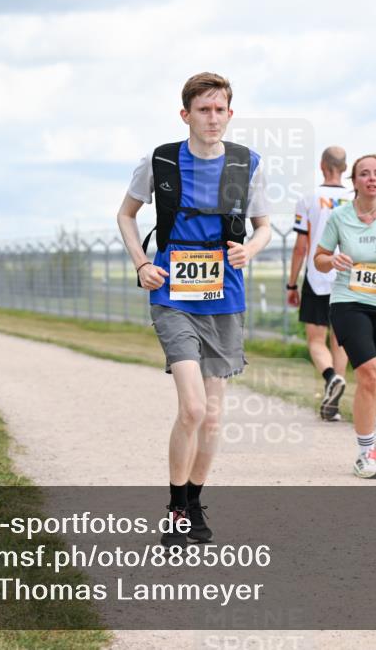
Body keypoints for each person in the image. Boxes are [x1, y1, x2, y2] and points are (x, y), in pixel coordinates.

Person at [117, 72, 272, 547]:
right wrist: (142, 263)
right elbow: (126, 214)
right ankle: (175, 509)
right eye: (202, 110)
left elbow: (264, 226)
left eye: (219, 109)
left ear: (230, 113)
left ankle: (193, 504)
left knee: (213, 417)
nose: (211, 117)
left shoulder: (247, 164)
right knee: (192, 407)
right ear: (185, 115)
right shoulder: (160, 160)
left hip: (224, 293)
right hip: (172, 293)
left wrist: (253, 249)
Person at [314, 154, 376, 480]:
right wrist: (333, 260)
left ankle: (370, 416)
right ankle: (364, 455)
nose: (372, 178)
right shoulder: (339, 217)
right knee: (369, 374)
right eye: (364, 173)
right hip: (349, 302)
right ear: (353, 180)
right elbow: (319, 258)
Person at [287, 146, 351, 421]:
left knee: (316, 340)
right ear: (346, 168)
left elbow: (301, 247)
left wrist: (291, 284)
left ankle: (329, 379)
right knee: (341, 341)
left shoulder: (309, 199)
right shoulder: (354, 198)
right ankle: (333, 403)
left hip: (318, 275)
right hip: (349, 277)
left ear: (323, 166)